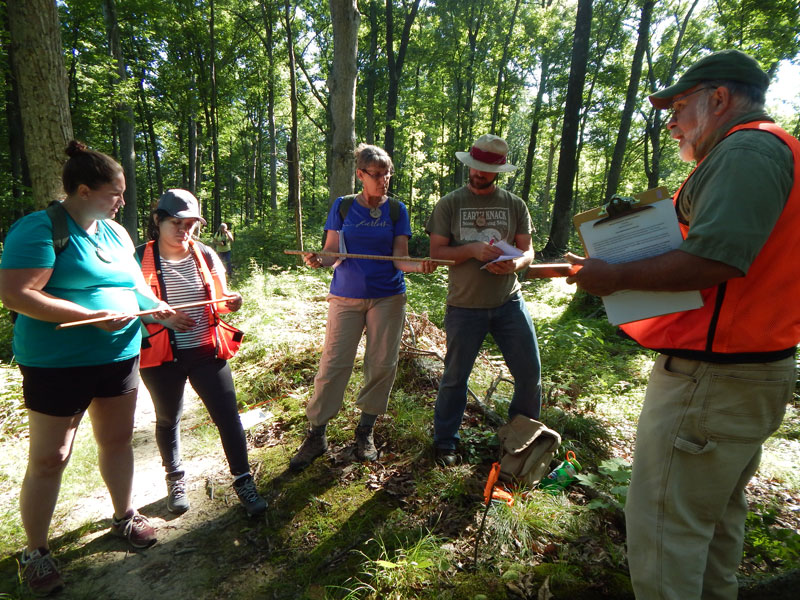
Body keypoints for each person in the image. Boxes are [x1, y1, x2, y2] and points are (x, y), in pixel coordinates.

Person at [565, 49, 799, 600]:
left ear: (719, 99)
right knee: (712, 528)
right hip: (744, 374)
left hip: (710, 382)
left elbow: (716, 260)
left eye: (678, 105)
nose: (669, 120)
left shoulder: (748, 150)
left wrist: (616, 275)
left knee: (665, 537)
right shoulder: (770, 151)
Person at [0, 141, 174, 596]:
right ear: (82, 190)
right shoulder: (39, 229)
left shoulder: (115, 234)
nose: (122, 202)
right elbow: (18, 295)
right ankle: (35, 552)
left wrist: (159, 310)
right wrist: (86, 316)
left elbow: (135, 290)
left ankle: (124, 516)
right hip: (57, 364)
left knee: (116, 440)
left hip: (118, 355)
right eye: (114, 194)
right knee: (50, 457)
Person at [290, 144, 437, 472]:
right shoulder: (342, 208)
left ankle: (364, 432)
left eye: (387, 175)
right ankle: (317, 434)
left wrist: (419, 267)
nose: (383, 181)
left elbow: (400, 259)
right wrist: (317, 260)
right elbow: (331, 253)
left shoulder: (397, 210)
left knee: (382, 364)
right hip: (345, 296)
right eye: (377, 175)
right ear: (360, 175)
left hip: (388, 298)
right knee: (333, 363)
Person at [137, 189, 267, 517]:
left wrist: (232, 301)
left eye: (191, 224)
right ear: (158, 221)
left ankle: (242, 480)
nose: (185, 231)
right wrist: (160, 316)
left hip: (206, 349)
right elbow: (130, 307)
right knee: (168, 417)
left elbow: (221, 300)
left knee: (228, 416)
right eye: (177, 223)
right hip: (162, 357)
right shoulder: (138, 259)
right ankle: (175, 477)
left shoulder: (206, 254)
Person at [426, 134, 542, 467]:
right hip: (464, 306)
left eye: (485, 170)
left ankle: (519, 441)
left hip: (509, 302)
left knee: (529, 374)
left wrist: (516, 263)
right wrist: (472, 250)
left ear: (498, 171)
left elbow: (527, 250)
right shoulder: (450, 204)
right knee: (454, 377)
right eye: (474, 168)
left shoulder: (514, 205)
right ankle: (445, 441)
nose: (478, 174)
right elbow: (437, 253)